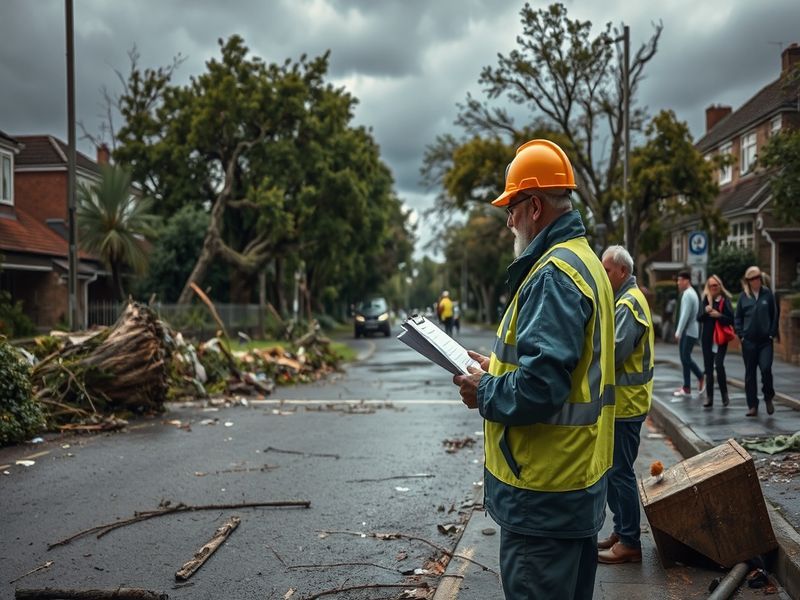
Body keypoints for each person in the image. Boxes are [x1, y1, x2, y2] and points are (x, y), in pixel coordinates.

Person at [452, 139, 615, 600]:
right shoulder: (585, 262)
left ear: (536, 207)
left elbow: (542, 386)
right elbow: (562, 365)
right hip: (574, 488)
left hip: (543, 495)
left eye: (512, 207)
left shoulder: (551, 274)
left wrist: (486, 392)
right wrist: (495, 369)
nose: (508, 220)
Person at [597, 245, 654, 565]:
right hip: (622, 403)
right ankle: (622, 530)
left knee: (619, 472)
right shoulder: (623, 301)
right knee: (613, 470)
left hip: (626, 404)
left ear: (622, 271)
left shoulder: (629, 305)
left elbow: (614, 353)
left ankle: (630, 540)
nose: (603, 275)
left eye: (606, 270)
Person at [734, 266, 780, 416]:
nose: (756, 281)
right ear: (748, 281)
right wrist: (741, 334)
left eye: (758, 277)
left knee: (766, 369)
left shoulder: (768, 294)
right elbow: (738, 317)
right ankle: (752, 405)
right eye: (753, 278)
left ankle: (768, 396)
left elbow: (775, 315)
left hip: (765, 341)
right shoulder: (743, 297)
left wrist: (772, 333)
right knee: (750, 374)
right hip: (749, 341)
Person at [698, 274, 734, 408]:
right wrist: (707, 310)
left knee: (718, 365)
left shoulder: (725, 301)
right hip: (707, 339)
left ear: (720, 286)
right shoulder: (705, 301)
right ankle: (709, 397)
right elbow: (699, 318)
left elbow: (731, 319)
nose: (713, 288)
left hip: (720, 339)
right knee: (708, 368)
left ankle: (725, 395)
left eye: (715, 285)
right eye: (711, 285)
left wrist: (719, 315)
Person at [673, 270, 704, 398]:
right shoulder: (692, 293)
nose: (678, 283)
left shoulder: (687, 294)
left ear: (687, 281)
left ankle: (700, 377)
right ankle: (686, 387)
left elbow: (685, 315)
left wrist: (678, 331)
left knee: (685, 358)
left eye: (680, 280)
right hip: (691, 331)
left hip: (689, 331)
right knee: (684, 359)